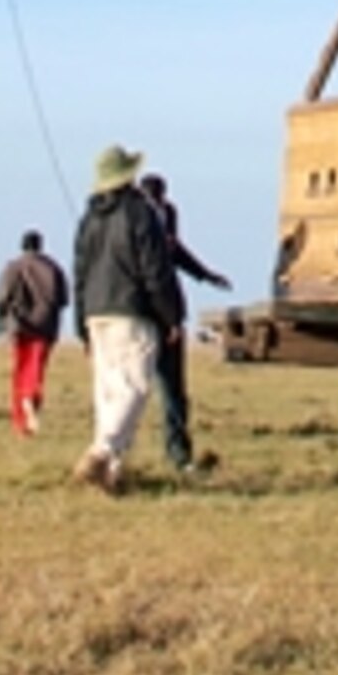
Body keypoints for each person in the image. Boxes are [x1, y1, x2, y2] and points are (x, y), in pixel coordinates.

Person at [69, 145, 180, 494]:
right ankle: (101, 453)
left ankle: (112, 473)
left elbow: (80, 273)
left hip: (95, 314)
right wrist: (171, 316)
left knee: (108, 394)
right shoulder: (139, 213)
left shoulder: (89, 218)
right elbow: (155, 270)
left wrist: (80, 326)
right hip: (132, 312)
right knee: (133, 388)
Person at [137, 172, 232, 478]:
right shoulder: (135, 220)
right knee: (139, 387)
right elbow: (157, 267)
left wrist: (206, 275)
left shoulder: (166, 215)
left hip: (164, 310)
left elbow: (174, 253)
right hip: (144, 311)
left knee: (173, 389)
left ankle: (178, 452)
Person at [0, 227, 69, 440]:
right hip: (46, 328)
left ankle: (22, 419)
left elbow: (1, 298)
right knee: (36, 368)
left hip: (20, 326)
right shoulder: (54, 268)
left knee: (20, 369)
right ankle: (31, 399)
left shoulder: (13, 268)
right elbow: (63, 300)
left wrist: (3, 318)